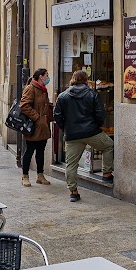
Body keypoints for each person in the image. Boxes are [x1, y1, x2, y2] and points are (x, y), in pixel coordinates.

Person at [54, 70, 113, 203]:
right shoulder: (92, 94)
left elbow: (57, 116)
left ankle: (73, 192)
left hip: (72, 135)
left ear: (73, 80)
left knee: (71, 164)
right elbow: (100, 114)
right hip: (91, 132)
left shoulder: (63, 96)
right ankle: (106, 174)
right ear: (86, 80)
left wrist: (66, 128)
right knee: (108, 146)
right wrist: (96, 126)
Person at [18, 69, 54, 188]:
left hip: (43, 126)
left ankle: (40, 175)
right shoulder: (30, 88)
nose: (48, 78)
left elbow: (43, 105)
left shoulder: (43, 90)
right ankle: (25, 176)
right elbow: (24, 106)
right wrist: (37, 118)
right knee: (29, 151)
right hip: (33, 126)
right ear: (40, 77)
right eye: (46, 75)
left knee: (40, 151)